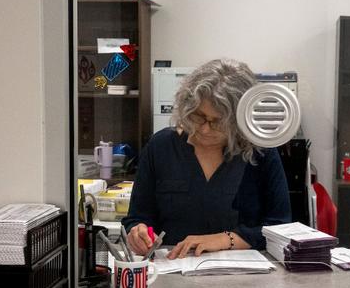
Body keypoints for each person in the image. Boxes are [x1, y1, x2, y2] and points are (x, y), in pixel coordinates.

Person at [122, 58, 291, 259]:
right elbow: (137, 217)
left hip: (245, 278)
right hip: (173, 271)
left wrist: (225, 239)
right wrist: (137, 232)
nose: (204, 128)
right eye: (198, 116)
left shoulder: (260, 152)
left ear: (240, 120)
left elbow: (280, 227)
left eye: (218, 122)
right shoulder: (161, 147)